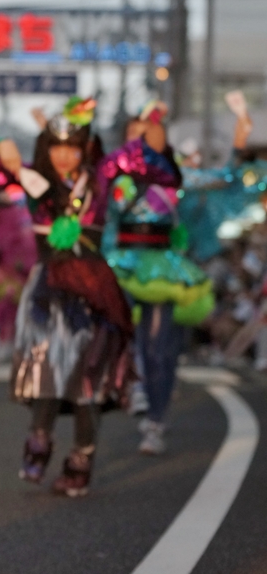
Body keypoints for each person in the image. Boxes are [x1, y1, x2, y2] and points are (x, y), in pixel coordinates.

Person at [0, 97, 134, 497]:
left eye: (72, 145)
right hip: (46, 290)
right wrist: (1, 146)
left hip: (93, 290)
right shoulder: (34, 180)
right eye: (55, 146)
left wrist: (149, 130)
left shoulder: (100, 179)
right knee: (44, 368)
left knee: (88, 376)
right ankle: (39, 440)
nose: (64, 155)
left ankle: (81, 461)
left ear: (86, 146)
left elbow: (143, 160)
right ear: (45, 148)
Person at [101, 103, 213, 455]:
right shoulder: (111, 179)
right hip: (121, 263)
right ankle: (129, 383)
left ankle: (155, 419)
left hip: (162, 268)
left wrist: (240, 143)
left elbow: (224, 177)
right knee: (116, 333)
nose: (140, 143)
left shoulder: (177, 178)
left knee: (158, 348)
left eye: (148, 135)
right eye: (134, 136)